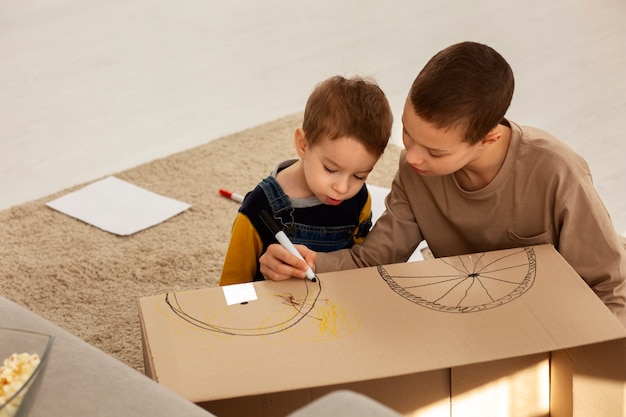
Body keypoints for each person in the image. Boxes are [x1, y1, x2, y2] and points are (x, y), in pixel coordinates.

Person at [259, 41, 626, 326]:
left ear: (488, 139)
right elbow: (375, 261)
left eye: (434, 151)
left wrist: (593, 367)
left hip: (552, 321)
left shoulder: (557, 173)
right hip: (475, 317)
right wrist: (311, 263)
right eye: (407, 133)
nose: (412, 157)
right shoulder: (417, 171)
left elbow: (611, 287)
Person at [219, 75, 393, 285]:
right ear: (303, 144)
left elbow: (360, 262)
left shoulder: (359, 198)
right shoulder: (257, 208)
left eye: (359, 176)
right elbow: (231, 288)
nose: (342, 188)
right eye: (330, 169)